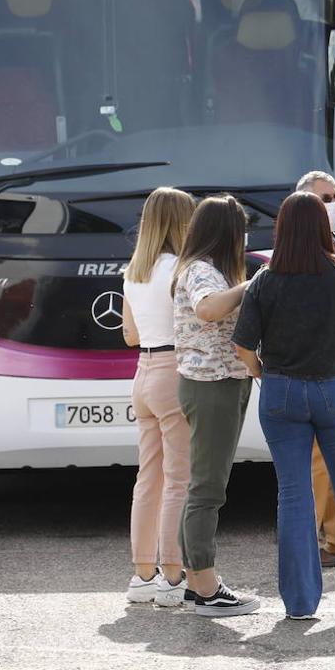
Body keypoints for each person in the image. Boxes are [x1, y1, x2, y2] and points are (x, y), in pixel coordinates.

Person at [233, 191, 335, 619]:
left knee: (293, 495)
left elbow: (243, 346)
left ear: (282, 230)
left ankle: (301, 604)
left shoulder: (265, 281)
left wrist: (262, 374)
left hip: (282, 392)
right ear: (323, 228)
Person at [172, 195, 259, 616]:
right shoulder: (202, 271)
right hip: (212, 386)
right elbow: (208, 309)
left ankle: (196, 582)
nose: (244, 238)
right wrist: (252, 284)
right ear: (226, 232)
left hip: (212, 385)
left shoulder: (200, 268)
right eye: (240, 229)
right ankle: (206, 588)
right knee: (208, 488)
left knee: (201, 485)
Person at [121, 187, 196, 606]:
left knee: (147, 478)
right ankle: (172, 575)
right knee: (179, 480)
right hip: (174, 369)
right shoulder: (181, 269)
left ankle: (142, 574)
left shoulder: (133, 271)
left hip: (143, 374)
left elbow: (130, 335)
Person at [296, 170, 335, 568]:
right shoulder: (293, 248)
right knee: (316, 461)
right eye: (324, 199)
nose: (333, 205)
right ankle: (310, 542)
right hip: (310, 371)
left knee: (334, 458)